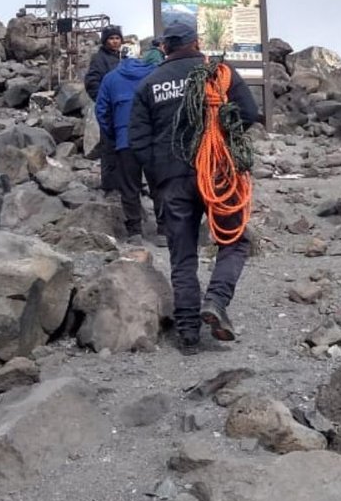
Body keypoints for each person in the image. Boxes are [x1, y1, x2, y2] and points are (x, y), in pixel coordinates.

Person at [129, 18, 259, 355]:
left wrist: (158, 177)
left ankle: (188, 331)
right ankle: (215, 300)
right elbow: (249, 111)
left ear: (166, 47)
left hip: (172, 180)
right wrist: (224, 139)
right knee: (235, 241)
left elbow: (138, 140)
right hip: (217, 172)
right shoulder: (220, 73)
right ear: (196, 42)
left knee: (182, 252)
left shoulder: (150, 84)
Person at [95, 45, 165, 246]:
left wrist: (114, 134)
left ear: (121, 58)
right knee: (158, 184)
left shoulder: (111, 78)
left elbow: (101, 111)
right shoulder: (154, 74)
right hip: (152, 140)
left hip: (125, 140)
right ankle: (163, 231)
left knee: (129, 186)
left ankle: (134, 232)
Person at [84, 25, 124, 194]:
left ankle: (123, 182)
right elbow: (92, 83)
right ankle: (109, 185)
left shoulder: (121, 57)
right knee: (109, 147)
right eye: (111, 38)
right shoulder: (99, 58)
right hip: (109, 110)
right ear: (105, 41)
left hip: (122, 109)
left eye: (117, 38)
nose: (115, 42)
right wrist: (104, 103)